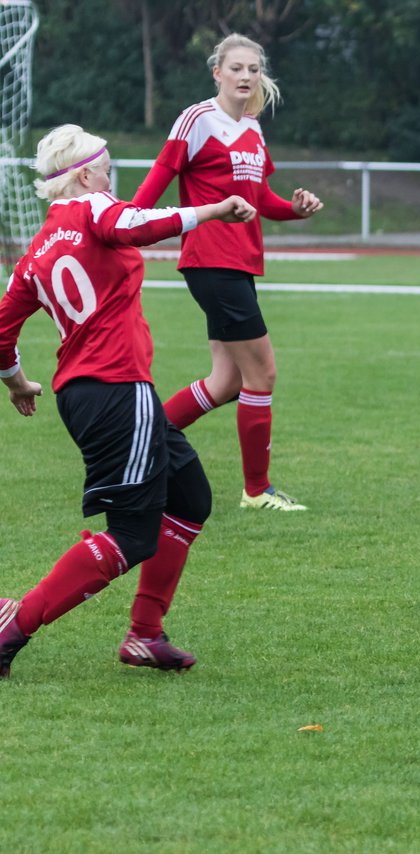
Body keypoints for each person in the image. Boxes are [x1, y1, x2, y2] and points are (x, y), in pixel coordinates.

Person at [0, 125, 258, 678]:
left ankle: (145, 635)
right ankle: (13, 627)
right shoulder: (95, 207)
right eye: (108, 167)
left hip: (84, 393)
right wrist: (211, 211)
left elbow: (1, 332)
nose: (111, 178)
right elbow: (135, 225)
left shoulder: (36, 251)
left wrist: (18, 382)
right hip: (118, 390)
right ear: (87, 174)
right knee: (134, 534)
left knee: (189, 500)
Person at [131, 33, 322, 512]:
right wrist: (124, 225)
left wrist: (297, 209)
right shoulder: (197, 119)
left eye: (253, 69)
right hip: (211, 262)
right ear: (216, 72)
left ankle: (144, 441)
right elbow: (152, 187)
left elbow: (263, 202)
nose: (245, 77)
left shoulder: (253, 128)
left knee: (227, 382)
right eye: (236, 68)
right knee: (263, 374)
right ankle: (257, 492)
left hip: (239, 264)